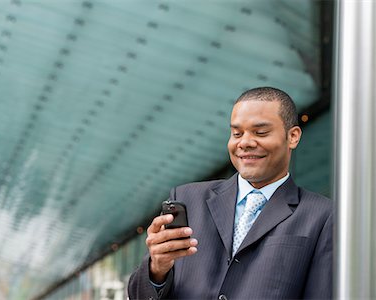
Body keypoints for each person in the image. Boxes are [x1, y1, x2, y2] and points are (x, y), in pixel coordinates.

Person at [128, 87, 333, 300]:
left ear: (293, 137)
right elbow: (138, 295)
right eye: (237, 133)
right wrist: (157, 268)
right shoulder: (188, 199)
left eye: (260, 132)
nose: (244, 142)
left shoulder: (323, 216)